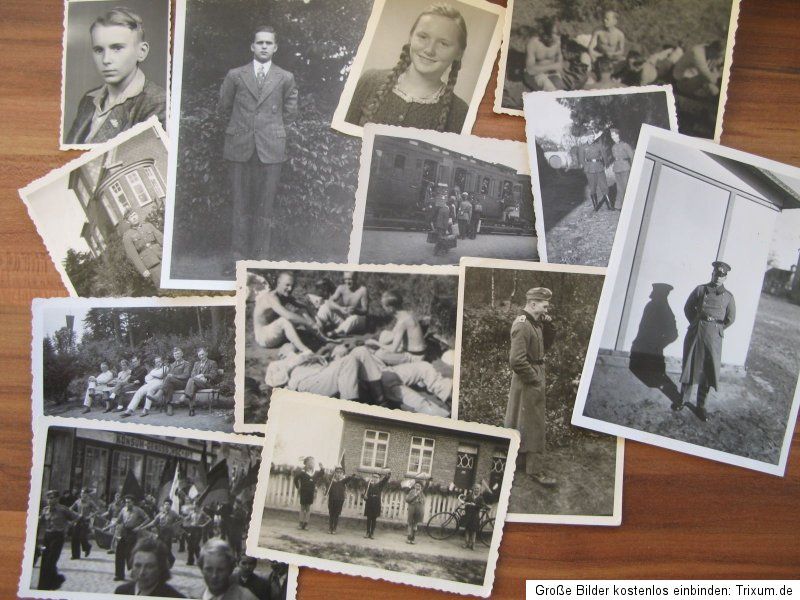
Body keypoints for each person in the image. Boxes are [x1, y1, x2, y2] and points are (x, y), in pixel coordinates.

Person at [218, 25, 298, 261]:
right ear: (252, 46)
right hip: (239, 146)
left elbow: (291, 112)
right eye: (259, 42)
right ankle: (237, 258)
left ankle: (260, 258)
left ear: (275, 47)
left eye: (268, 43)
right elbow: (224, 105)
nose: (264, 46)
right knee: (240, 205)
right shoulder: (235, 75)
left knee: (265, 207)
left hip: (271, 149)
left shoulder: (285, 77)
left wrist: (270, 128)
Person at [345, 3, 469, 133]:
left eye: (443, 43)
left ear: (459, 53)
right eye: (423, 37)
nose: (429, 50)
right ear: (411, 37)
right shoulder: (370, 81)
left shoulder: (460, 113)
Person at [65, 8, 166, 145]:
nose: (106, 60)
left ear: (141, 52)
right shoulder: (89, 99)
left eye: (117, 48)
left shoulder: (158, 103)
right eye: (99, 50)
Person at [506, 287, 557, 487]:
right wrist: (535, 379)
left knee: (522, 420)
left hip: (530, 375)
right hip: (528, 377)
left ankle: (518, 462)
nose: (547, 308)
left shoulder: (535, 324)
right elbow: (516, 361)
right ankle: (535, 470)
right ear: (533, 304)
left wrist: (550, 325)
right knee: (533, 422)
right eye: (545, 305)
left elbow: (546, 346)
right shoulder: (522, 325)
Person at [675, 261, 736, 422]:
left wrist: (717, 329)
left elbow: (730, 318)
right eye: (716, 274)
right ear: (712, 274)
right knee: (689, 366)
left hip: (713, 339)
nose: (718, 277)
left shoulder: (729, 297)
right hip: (696, 333)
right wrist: (696, 323)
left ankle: (701, 406)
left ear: (725, 277)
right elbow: (688, 308)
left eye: (722, 275)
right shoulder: (700, 289)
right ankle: (683, 400)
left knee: (708, 372)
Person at [265, 344, 385, 404]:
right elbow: (273, 382)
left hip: (324, 373)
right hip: (308, 382)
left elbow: (326, 365)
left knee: (361, 350)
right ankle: (350, 410)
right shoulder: (276, 364)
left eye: (296, 349)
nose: (294, 348)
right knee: (349, 360)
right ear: (281, 353)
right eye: (290, 347)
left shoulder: (304, 356)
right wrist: (294, 362)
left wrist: (322, 357)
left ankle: (380, 399)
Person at [252, 272, 334, 353]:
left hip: (274, 333)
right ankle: (306, 351)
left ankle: (321, 337)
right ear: (278, 283)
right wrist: (310, 323)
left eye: (292, 286)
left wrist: (315, 318)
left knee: (301, 311)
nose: (290, 289)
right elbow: (288, 316)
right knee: (284, 320)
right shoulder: (271, 297)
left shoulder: (284, 295)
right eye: (287, 285)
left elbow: (303, 306)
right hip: (263, 336)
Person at [367, 290, 427, 365]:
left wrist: (374, 342)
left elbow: (393, 350)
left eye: (384, 306)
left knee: (379, 354)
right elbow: (395, 333)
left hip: (413, 357)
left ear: (391, 308)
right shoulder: (407, 314)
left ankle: (378, 360)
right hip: (417, 351)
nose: (384, 309)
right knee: (384, 334)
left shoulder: (402, 322)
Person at [114, 537, 185, 597]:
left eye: (149, 567)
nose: (141, 573)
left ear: (161, 568)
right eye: (137, 565)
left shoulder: (173, 597)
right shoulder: (121, 592)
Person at [37, 490, 77, 590]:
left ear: (57, 499)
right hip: (47, 537)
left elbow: (75, 518)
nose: (50, 500)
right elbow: (40, 521)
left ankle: (48, 584)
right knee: (45, 560)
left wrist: (68, 527)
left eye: (52, 498)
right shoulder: (45, 510)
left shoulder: (63, 509)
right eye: (48, 498)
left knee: (51, 561)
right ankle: (50, 582)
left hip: (58, 537)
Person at [167, 347, 219, 417]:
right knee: (192, 384)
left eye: (202, 354)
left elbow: (213, 375)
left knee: (191, 380)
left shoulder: (212, 363)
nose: (201, 356)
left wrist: (203, 375)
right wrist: (198, 377)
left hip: (206, 383)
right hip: (196, 382)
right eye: (199, 355)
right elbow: (192, 374)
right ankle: (191, 409)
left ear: (206, 353)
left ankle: (185, 395)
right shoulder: (196, 363)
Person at [121, 210, 164, 288]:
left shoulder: (148, 225)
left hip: (163, 255)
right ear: (127, 221)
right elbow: (134, 256)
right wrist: (143, 269)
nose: (134, 218)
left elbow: (162, 239)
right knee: (163, 286)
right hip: (151, 263)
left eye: (134, 215)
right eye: (131, 217)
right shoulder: (127, 236)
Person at [321, 272, 369, 337]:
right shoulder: (341, 288)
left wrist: (356, 310)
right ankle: (317, 327)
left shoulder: (362, 290)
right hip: (345, 319)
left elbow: (365, 311)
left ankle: (335, 332)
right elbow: (330, 301)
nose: (347, 282)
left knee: (354, 318)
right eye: (345, 279)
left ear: (356, 278)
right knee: (325, 306)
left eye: (350, 279)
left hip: (358, 321)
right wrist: (340, 309)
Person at [522, 16, 564, 92]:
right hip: (535, 74)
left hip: (551, 73)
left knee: (561, 89)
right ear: (546, 33)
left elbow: (559, 62)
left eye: (559, 34)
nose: (559, 38)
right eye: (556, 34)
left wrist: (558, 66)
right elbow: (530, 70)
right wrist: (553, 66)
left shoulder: (557, 41)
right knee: (550, 90)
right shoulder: (533, 43)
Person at [114, 495, 149, 581]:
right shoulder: (123, 510)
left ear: (132, 502)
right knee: (119, 552)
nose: (127, 504)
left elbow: (147, 518)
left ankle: (135, 574)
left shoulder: (137, 510)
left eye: (129, 502)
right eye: (126, 502)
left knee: (131, 553)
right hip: (124, 532)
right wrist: (108, 526)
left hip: (133, 533)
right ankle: (119, 575)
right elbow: (118, 521)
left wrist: (140, 527)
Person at [138, 499, 182, 567]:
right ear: (163, 505)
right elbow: (154, 522)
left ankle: (171, 559)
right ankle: (162, 562)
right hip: (161, 532)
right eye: (165, 504)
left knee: (166, 548)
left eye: (168, 504)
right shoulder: (160, 514)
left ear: (170, 506)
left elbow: (180, 520)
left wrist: (175, 526)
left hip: (168, 533)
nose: (166, 506)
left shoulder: (173, 513)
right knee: (158, 547)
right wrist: (144, 527)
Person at [154, 347, 193, 411]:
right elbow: (169, 377)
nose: (176, 355)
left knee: (169, 378)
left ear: (182, 354)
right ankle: (169, 405)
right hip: (174, 384)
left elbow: (186, 375)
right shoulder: (172, 365)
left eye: (178, 353)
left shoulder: (186, 363)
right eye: (175, 354)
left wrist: (173, 376)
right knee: (169, 384)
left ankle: (158, 395)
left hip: (183, 384)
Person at [578, 133, 610, 211]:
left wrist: (606, 164)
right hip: (589, 169)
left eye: (593, 137)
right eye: (590, 137)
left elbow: (604, 155)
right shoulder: (582, 147)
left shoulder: (598, 145)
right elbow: (581, 159)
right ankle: (596, 207)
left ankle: (609, 205)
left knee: (604, 186)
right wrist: (586, 166)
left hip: (599, 167)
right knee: (592, 187)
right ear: (587, 137)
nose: (592, 138)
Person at [324, 466, 359, 534]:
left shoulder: (343, 481)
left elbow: (349, 478)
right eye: (337, 473)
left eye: (340, 473)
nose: (338, 474)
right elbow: (328, 489)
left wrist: (353, 474)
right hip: (332, 500)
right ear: (335, 473)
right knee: (331, 514)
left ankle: (334, 528)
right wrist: (326, 495)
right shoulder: (332, 481)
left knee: (336, 515)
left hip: (339, 500)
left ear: (342, 474)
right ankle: (330, 528)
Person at [293, 457, 324, 530]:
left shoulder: (315, 473)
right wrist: (298, 487)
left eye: (313, 463)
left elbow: (322, 473)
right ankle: (300, 523)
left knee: (308, 508)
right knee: (302, 508)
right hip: (303, 492)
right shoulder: (302, 473)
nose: (312, 464)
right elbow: (295, 479)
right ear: (306, 464)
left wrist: (322, 467)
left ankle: (306, 524)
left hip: (311, 493)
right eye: (310, 462)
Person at [69, 488, 100, 559]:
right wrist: (75, 514)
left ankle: (87, 547)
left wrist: (90, 516)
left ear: (87, 494)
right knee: (74, 538)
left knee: (82, 537)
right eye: (82, 493)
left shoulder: (90, 502)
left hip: (85, 521)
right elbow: (70, 509)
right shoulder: (77, 501)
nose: (82, 494)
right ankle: (75, 555)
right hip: (77, 520)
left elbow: (98, 510)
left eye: (84, 493)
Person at [362, 469, 391, 539]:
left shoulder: (380, 485)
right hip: (369, 502)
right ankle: (367, 532)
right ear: (372, 477)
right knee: (369, 518)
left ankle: (372, 533)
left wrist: (388, 475)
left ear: (379, 478)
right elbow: (365, 494)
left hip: (376, 503)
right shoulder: (368, 484)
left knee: (374, 519)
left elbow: (385, 480)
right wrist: (364, 496)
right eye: (374, 477)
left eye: (377, 477)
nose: (375, 478)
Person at [610, 128, 634, 209]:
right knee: (619, 188)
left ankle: (630, 205)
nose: (612, 137)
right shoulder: (613, 147)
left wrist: (633, 168)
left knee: (626, 187)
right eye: (611, 135)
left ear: (618, 135)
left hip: (625, 167)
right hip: (617, 168)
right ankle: (623, 205)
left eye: (613, 135)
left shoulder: (625, 145)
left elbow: (632, 156)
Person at [459, 483, 487, 550]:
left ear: (480, 490)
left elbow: (482, 506)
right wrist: (465, 504)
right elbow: (464, 502)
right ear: (473, 489)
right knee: (467, 530)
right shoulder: (469, 496)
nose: (476, 490)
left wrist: (475, 505)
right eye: (475, 488)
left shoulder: (480, 498)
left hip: (475, 515)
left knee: (474, 531)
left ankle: (473, 544)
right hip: (468, 514)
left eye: (478, 489)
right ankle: (466, 543)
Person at [404, 477, 429, 544]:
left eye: (419, 486)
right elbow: (407, 500)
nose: (417, 487)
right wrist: (415, 496)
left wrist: (427, 480)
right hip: (412, 508)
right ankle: (409, 538)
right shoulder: (411, 492)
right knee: (410, 523)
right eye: (416, 485)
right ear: (414, 486)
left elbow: (427, 486)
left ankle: (413, 538)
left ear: (421, 487)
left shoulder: (423, 493)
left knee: (415, 524)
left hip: (419, 509)